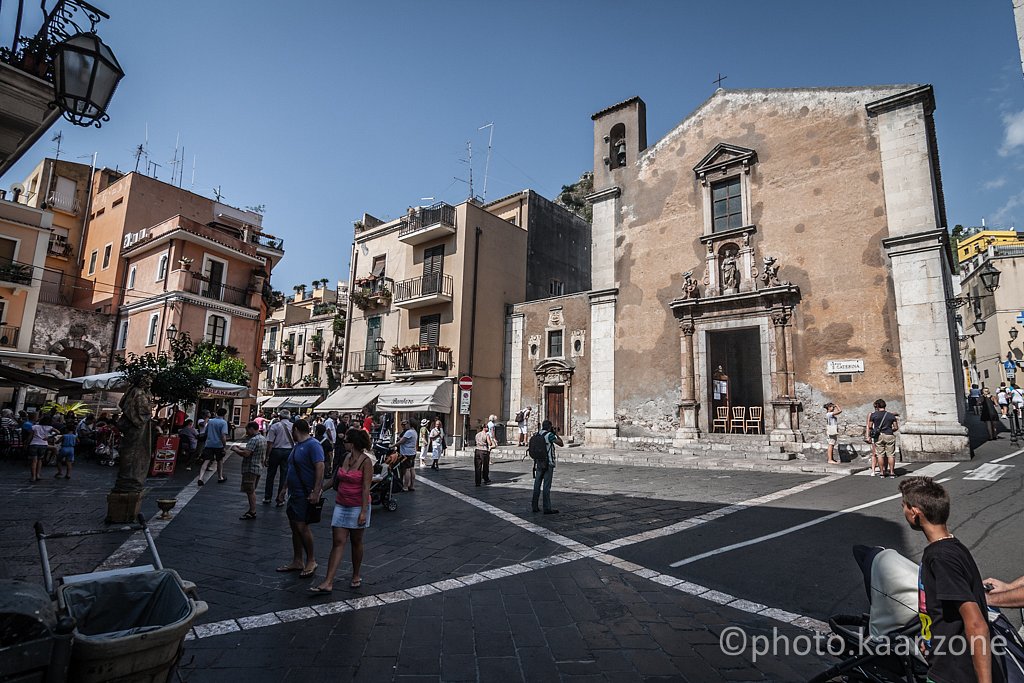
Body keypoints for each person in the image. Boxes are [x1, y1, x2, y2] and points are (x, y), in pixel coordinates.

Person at [898, 477, 1002, 683]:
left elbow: (977, 624)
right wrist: (930, 640)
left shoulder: (940, 558)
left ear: (915, 512)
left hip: (955, 673)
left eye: (904, 506)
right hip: (945, 664)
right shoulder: (951, 548)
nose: (903, 511)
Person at [311, 427, 373, 594]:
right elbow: (334, 480)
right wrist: (319, 490)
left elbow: (366, 487)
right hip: (341, 504)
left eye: (345, 441)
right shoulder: (345, 457)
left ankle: (356, 574)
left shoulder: (366, 462)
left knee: (356, 542)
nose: (343, 443)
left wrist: (363, 512)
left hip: (357, 506)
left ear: (352, 444)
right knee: (338, 541)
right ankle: (328, 581)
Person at [277, 419, 324, 578]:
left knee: (302, 526)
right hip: (294, 493)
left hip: (304, 493)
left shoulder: (313, 445)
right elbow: (292, 469)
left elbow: (320, 467)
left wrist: (316, 491)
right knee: (294, 527)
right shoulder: (297, 446)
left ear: (296, 429)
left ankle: (311, 560)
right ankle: (298, 560)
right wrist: (284, 488)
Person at [231, 421, 266, 520]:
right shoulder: (262, 438)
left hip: (251, 468)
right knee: (252, 489)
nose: (247, 432)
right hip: (258, 467)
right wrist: (241, 447)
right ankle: (252, 510)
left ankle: (252, 511)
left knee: (250, 491)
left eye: (247, 429)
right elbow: (252, 450)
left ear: (251, 429)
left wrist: (235, 449)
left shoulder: (253, 440)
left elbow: (246, 454)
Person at [530, 420, 563, 514]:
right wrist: (556, 434)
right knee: (546, 486)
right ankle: (547, 508)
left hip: (539, 462)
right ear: (549, 427)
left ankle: (534, 506)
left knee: (537, 485)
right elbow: (561, 443)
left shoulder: (538, 434)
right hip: (548, 463)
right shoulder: (550, 435)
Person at [264, 409, 294, 506]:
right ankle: (280, 498)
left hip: (276, 451)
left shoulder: (274, 426)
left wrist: (267, 456)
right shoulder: (293, 426)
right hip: (288, 451)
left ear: (279, 417)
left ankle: (267, 497)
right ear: (289, 417)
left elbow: (270, 443)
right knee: (284, 475)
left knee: (270, 475)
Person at [865, 399, 898, 478]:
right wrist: (890, 430)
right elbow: (896, 427)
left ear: (877, 406)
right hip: (889, 435)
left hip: (879, 436)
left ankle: (882, 472)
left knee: (880, 455)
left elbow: (869, 426)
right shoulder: (891, 415)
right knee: (891, 455)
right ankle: (892, 472)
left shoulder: (874, 415)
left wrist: (869, 435)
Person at [197, 408, 230, 485]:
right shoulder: (223, 423)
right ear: (224, 414)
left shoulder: (210, 421)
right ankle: (220, 477)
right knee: (220, 461)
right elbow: (223, 436)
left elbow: (206, 432)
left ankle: (200, 478)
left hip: (209, 444)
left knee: (206, 461)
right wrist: (224, 446)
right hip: (218, 445)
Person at [28, 415, 56, 483]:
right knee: (40, 460)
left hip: (34, 444)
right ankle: (38, 475)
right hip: (43, 444)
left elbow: (30, 436)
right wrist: (49, 437)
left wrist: (27, 443)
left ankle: (33, 476)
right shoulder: (49, 427)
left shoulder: (35, 427)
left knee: (34, 461)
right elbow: (58, 432)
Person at [395, 419, 417, 491]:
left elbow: (401, 441)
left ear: (409, 424)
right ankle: (412, 485)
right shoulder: (414, 432)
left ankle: (405, 486)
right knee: (412, 468)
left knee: (407, 469)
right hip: (413, 452)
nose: (404, 426)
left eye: (405, 424)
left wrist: (392, 445)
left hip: (406, 453)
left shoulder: (409, 432)